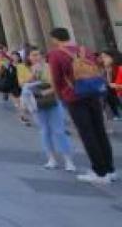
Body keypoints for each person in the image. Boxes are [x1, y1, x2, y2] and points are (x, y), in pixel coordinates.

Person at [47, 28, 116, 184]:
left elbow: (56, 78)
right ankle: (110, 169)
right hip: (92, 93)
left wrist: (59, 96)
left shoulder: (56, 54)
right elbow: (97, 68)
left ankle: (99, 172)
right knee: (99, 131)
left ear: (55, 39)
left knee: (87, 133)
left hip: (74, 96)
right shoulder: (84, 49)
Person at [22, 49, 76, 172]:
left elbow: (57, 84)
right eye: (32, 55)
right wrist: (32, 78)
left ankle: (68, 160)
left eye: (37, 54)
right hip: (37, 104)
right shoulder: (29, 69)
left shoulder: (49, 67)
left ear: (42, 56)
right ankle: (51, 158)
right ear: (29, 58)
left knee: (59, 130)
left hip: (52, 102)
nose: (35, 57)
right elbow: (24, 84)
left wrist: (45, 90)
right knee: (44, 131)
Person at [98, 51, 121, 122]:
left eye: (105, 57)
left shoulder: (120, 68)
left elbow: (113, 85)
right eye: (102, 57)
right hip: (117, 96)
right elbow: (109, 83)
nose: (103, 59)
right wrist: (108, 71)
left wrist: (116, 86)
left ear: (113, 57)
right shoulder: (107, 69)